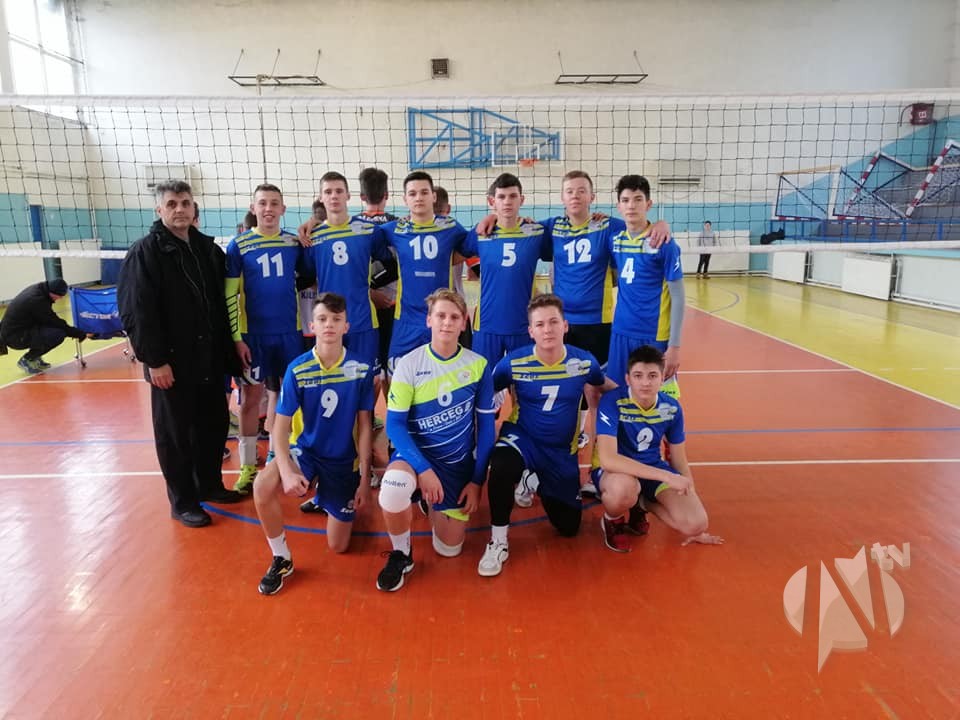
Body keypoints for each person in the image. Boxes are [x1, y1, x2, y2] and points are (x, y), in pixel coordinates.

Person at [117, 180, 244, 528]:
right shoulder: (145, 252)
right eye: (171, 204)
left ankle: (209, 485)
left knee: (212, 425)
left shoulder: (207, 249)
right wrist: (155, 360)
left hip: (208, 358)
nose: (179, 209)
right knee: (175, 434)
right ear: (159, 209)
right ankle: (183, 501)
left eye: (185, 203)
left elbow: (221, 302)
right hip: (171, 362)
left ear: (193, 208)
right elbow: (136, 311)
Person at [478, 293, 614, 577]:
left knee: (568, 527)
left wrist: (638, 398)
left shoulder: (583, 362)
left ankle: (532, 480)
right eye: (540, 324)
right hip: (523, 437)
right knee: (501, 465)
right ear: (531, 331)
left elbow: (605, 387)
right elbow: (484, 392)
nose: (547, 330)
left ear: (565, 325)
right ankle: (498, 541)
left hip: (561, 451)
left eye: (553, 322)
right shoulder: (514, 363)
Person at [252, 292, 375, 595]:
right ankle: (281, 558)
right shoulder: (298, 369)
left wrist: (364, 480)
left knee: (339, 546)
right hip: (305, 452)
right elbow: (280, 428)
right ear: (312, 325)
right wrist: (286, 471)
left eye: (336, 319)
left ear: (346, 326)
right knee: (262, 486)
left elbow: (364, 427)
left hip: (343, 460)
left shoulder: (361, 368)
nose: (329, 324)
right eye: (322, 319)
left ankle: (327, 498)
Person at [376, 288, 495, 592]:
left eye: (454, 317)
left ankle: (429, 503)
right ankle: (402, 553)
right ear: (429, 320)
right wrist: (424, 470)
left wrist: (477, 481)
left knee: (449, 549)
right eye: (440, 315)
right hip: (416, 457)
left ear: (464, 322)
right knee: (393, 488)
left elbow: (486, 429)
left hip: (455, 464)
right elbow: (394, 425)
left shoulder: (478, 366)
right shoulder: (409, 364)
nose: (447, 322)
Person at [594, 345, 723, 551]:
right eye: (638, 376)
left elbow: (679, 459)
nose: (645, 383)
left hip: (652, 468)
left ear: (663, 378)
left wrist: (688, 490)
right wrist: (666, 476)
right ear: (628, 379)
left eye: (652, 376)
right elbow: (609, 459)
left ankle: (643, 504)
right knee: (624, 489)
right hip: (616, 473)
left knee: (696, 523)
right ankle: (612, 520)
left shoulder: (671, 408)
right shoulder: (613, 402)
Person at [225, 184, 308, 494]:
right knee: (250, 400)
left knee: (294, 400)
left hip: (289, 335)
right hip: (254, 337)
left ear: (283, 209)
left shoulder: (293, 243)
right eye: (263, 203)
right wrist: (237, 338)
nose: (268, 209)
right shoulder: (239, 245)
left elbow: (308, 278)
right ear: (253, 208)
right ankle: (248, 467)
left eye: (274, 203)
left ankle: (284, 457)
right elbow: (229, 295)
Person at [461, 173, 551, 369]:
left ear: (522, 199)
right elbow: (458, 252)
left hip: (524, 326)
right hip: (487, 325)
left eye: (512, 196)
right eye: (501, 197)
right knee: (484, 382)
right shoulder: (480, 233)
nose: (507, 201)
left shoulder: (536, 233)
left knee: (525, 383)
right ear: (492, 201)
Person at [606, 175, 685, 396]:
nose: (631, 205)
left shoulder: (664, 244)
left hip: (653, 334)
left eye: (638, 199)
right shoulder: (615, 240)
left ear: (648, 204)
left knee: (656, 399)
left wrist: (675, 346)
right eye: (625, 200)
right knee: (617, 394)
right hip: (621, 331)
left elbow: (679, 297)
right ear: (618, 206)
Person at [0, 278, 87, 374]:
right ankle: (27, 359)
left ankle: (35, 357)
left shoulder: (40, 290)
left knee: (51, 330)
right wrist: (77, 333)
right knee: (57, 334)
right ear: (52, 293)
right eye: (60, 296)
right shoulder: (37, 300)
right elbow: (54, 321)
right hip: (15, 337)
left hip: (18, 329)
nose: (61, 298)